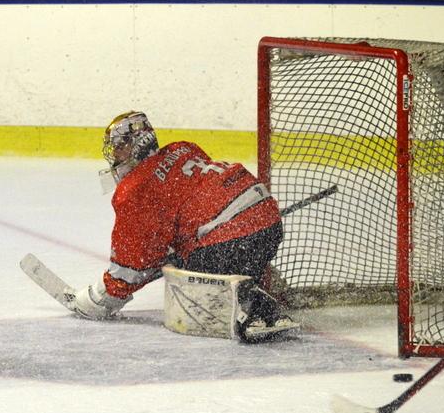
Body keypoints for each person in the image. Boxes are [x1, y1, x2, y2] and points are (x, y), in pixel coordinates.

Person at [69, 111, 298, 340]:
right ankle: (261, 278)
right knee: (199, 254)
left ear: (136, 144)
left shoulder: (134, 189)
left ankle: (257, 306)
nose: (115, 154)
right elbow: (195, 201)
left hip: (229, 238)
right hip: (268, 222)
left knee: (193, 281)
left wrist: (98, 299)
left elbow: (130, 267)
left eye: (119, 146)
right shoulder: (183, 148)